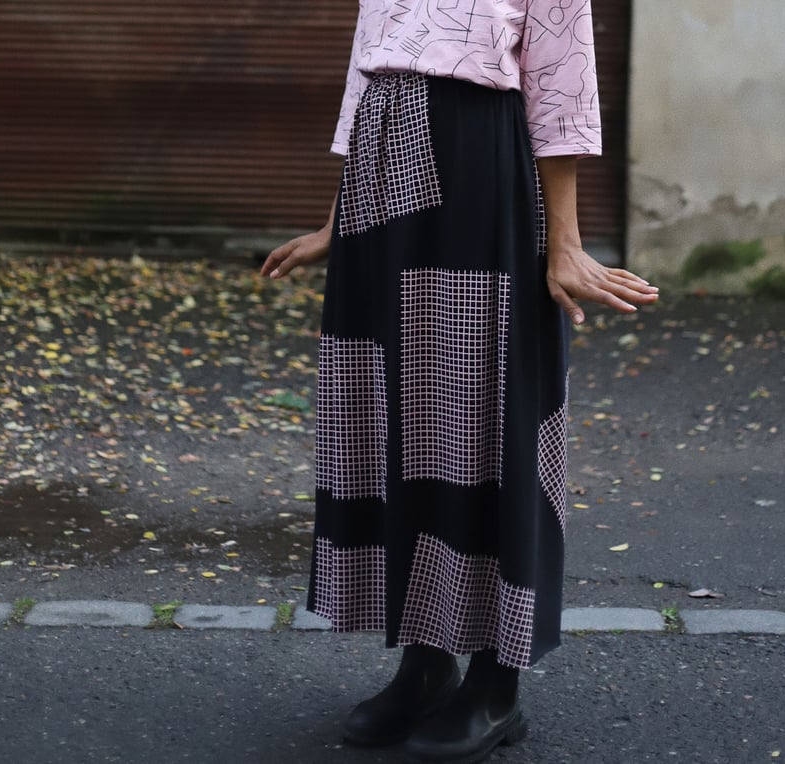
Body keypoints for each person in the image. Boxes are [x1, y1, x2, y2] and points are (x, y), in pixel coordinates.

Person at [261, 3, 658, 762]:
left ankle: (496, 680)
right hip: (381, 172)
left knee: (482, 412)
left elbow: (562, 73)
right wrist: (338, 218)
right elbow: (368, 63)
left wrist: (565, 241)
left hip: (479, 161)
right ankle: (425, 655)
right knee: (395, 414)